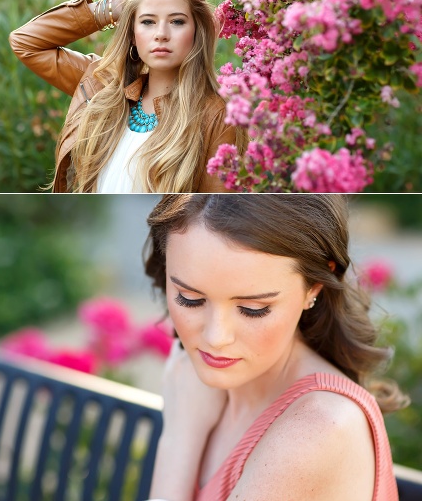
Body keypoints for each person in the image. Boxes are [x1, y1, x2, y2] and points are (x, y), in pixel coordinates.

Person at [143, 195, 407, 501]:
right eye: (189, 298)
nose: (216, 338)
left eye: (253, 308)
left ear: (314, 287)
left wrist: (180, 437)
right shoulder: (200, 389)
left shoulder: (319, 427)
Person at [9, 0, 245, 193]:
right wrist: (110, 8)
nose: (161, 34)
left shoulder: (217, 114)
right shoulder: (102, 87)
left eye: (176, 21)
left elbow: (214, 213)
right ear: (132, 34)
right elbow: (25, 42)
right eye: (148, 21)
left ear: (196, 32)